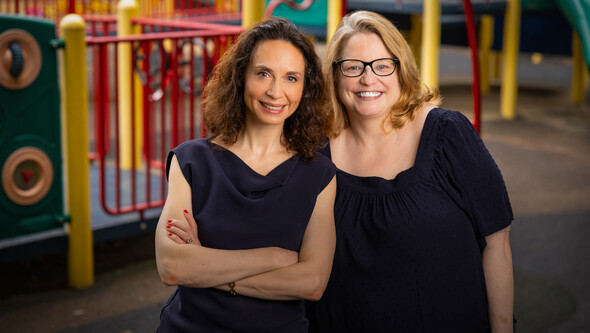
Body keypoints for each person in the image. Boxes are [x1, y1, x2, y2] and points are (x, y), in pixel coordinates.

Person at [306, 10, 515, 333]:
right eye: (352, 67)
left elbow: (497, 241)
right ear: (334, 74)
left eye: (382, 65)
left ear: (402, 69)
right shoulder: (316, 149)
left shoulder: (448, 133)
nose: (368, 79)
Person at [155, 17, 337, 333]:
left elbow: (312, 283)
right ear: (241, 76)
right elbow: (172, 267)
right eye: (263, 73)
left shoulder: (319, 174)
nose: (276, 91)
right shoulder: (190, 161)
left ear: (305, 87)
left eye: (291, 78)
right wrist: (275, 257)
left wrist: (206, 268)